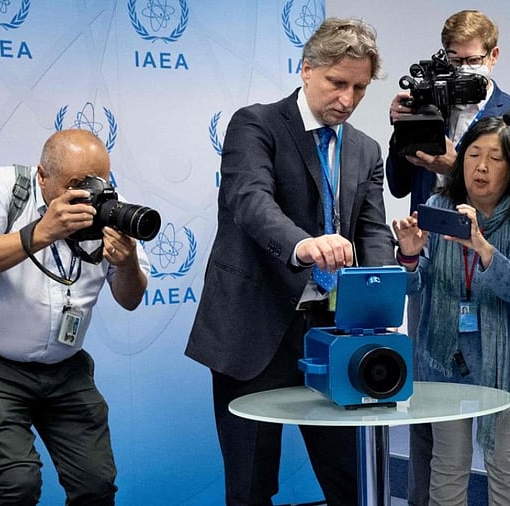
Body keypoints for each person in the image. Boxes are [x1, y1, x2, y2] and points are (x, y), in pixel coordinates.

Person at [185, 18, 395, 506]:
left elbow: (371, 230)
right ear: (306, 69)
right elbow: (250, 199)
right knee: (253, 484)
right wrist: (305, 245)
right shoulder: (255, 124)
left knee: (349, 478)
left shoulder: (365, 149)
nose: (347, 98)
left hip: (333, 335)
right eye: (337, 83)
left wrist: (381, 291)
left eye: (359, 88)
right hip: (252, 331)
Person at [386, 10, 510, 506]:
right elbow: (396, 179)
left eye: (471, 61)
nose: (482, 166)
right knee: (442, 462)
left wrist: (479, 240)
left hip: (501, 349)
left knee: (508, 462)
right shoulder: (432, 204)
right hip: (441, 327)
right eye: (454, 60)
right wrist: (410, 259)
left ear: (492, 57)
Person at [0, 129, 150, 505]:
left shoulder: (112, 208)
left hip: (66, 369)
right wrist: (40, 232)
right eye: (76, 185)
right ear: (42, 176)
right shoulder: (4, 186)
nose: (89, 193)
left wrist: (127, 262)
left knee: (95, 485)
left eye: (100, 180)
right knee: (19, 483)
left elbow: (130, 299)